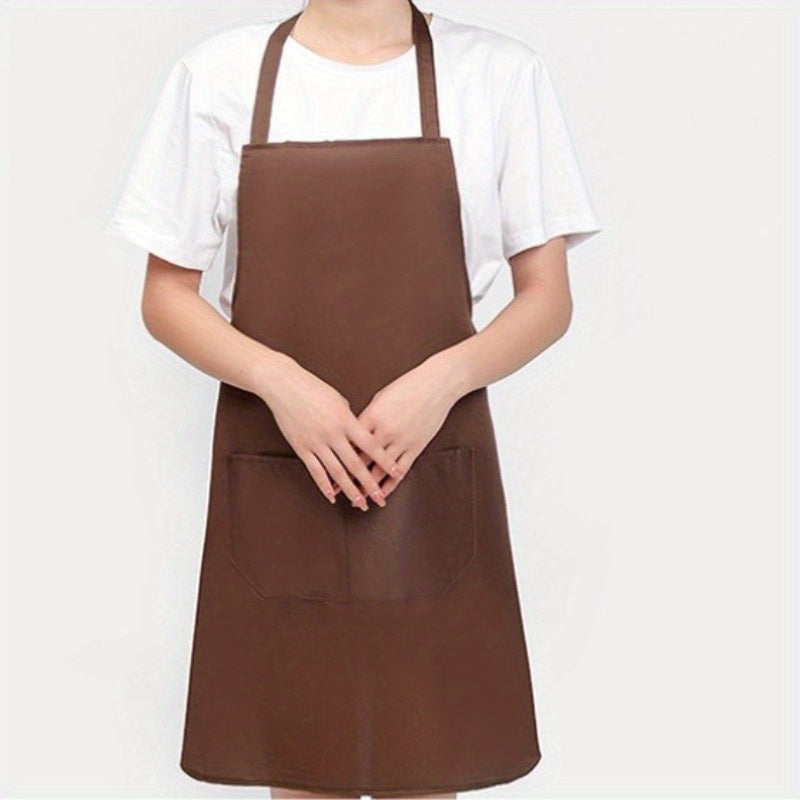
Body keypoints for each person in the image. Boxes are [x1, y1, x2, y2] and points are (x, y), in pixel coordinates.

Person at [106, 1, 602, 798]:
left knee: (430, 762)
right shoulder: (220, 76)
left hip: (432, 471)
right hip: (280, 472)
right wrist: (280, 383)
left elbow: (548, 298)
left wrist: (441, 381)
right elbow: (166, 297)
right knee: (302, 767)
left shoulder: (500, 76)